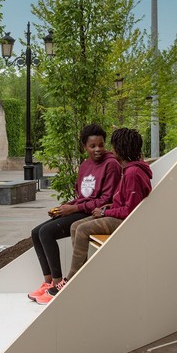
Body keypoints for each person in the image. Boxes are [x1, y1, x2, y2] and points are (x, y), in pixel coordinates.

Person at [36, 127, 152, 304]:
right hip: (115, 214)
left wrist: (105, 211)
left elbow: (130, 211)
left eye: (112, 146)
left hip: (125, 221)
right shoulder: (128, 170)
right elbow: (122, 201)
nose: (109, 151)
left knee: (81, 229)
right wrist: (106, 207)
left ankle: (69, 282)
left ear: (122, 149)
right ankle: (80, 278)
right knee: (75, 226)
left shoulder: (133, 173)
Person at [28, 123, 121, 302]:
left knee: (46, 232)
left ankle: (56, 287)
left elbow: (106, 199)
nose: (98, 149)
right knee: (35, 233)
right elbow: (81, 196)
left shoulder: (111, 165)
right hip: (81, 208)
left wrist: (74, 208)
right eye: (92, 146)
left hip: (94, 213)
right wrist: (65, 207)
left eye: (101, 145)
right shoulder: (85, 165)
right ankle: (47, 283)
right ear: (84, 147)